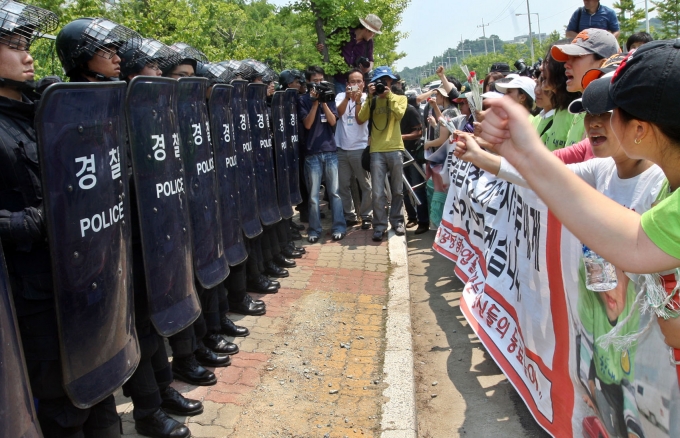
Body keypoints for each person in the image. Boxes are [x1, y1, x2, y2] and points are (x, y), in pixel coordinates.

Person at [477, 39, 680, 357]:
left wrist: (525, 153)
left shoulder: (662, 192)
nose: (595, 122)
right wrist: (521, 154)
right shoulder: (668, 188)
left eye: (611, 111)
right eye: (589, 112)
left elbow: (635, 244)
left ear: (639, 128)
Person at [2, 11, 120, 437]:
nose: (28, 57)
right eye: (15, 47)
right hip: (35, 292)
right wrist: (39, 219)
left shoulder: (43, 110)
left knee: (100, 380)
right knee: (61, 405)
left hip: (82, 273)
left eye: (27, 46)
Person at [356, 66, 407, 241]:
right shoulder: (372, 100)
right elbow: (361, 118)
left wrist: (388, 96)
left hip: (395, 148)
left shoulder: (400, 98)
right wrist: (370, 97)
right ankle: (379, 226)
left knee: (397, 190)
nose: (383, 84)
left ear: (391, 82)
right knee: (377, 193)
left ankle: (398, 221)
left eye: (386, 81)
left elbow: (399, 115)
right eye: (380, 81)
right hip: (376, 150)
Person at [298, 65, 346, 243]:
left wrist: (324, 101)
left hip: (330, 150)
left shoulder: (329, 97)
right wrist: (315, 103)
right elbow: (308, 124)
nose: (318, 84)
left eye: (321, 81)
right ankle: (314, 230)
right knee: (313, 196)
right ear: (308, 82)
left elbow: (333, 122)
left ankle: (339, 227)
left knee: (335, 193)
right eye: (315, 81)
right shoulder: (303, 100)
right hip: (312, 152)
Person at [335, 68, 372, 230]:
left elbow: (360, 120)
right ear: (347, 84)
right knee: (343, 185)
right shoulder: (340, 96)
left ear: (363, 84)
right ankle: (349, 215)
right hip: (341, 148)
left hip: (360, 147)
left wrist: (357, 101)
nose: (355, 84)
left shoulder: (367, 99)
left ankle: (366, 215)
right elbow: (338, 113)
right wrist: (347, 97)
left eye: (358, 81)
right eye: (352, 82)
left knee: (365, 185)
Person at [316, 14, 382, 94]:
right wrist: (319, 46)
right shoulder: (345, 31)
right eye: (373, 33)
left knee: (352, 100)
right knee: (338, 100)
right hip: (337, 78)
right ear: (367, 29)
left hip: (354, 82)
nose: (373, 35)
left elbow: (371, 60)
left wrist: (366, 69)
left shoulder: (369, 43)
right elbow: (327, 42)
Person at [399, 91, 428, 234]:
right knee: (404, 189)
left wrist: (401, 137)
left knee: (417, 187)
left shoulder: (410, 110)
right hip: (398, 153)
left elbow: (419, 132)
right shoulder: (391, 112)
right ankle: (412, 217)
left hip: (412, 154)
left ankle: (424, 221)